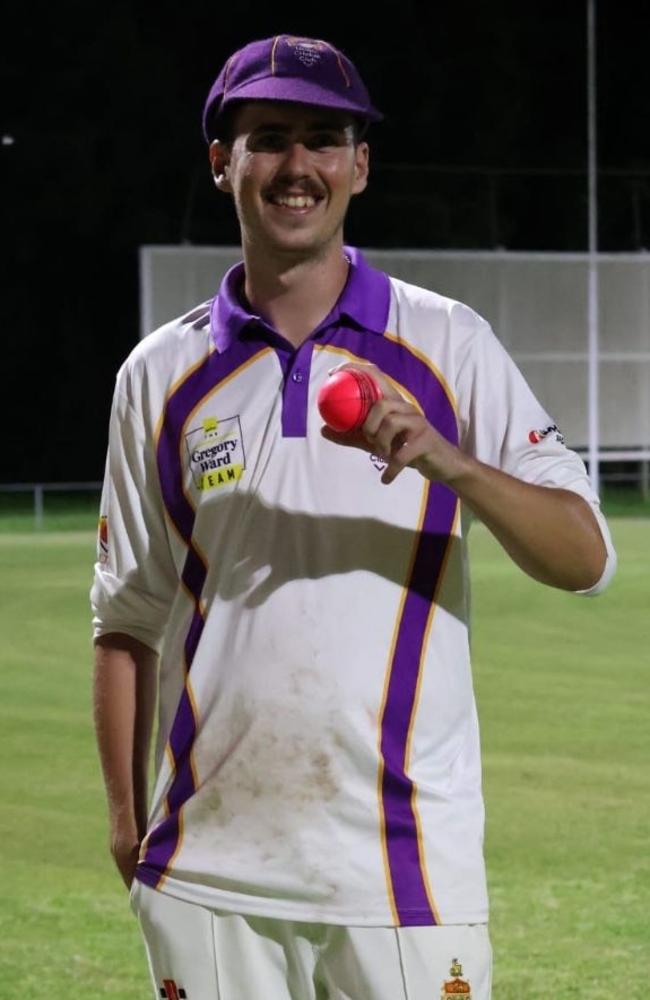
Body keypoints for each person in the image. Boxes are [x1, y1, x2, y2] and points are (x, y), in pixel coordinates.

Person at [91, 35, 616, 1000]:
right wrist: (130, 832)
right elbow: (125, 622)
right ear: (223, 162)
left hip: (406, 872)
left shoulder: (446, 342)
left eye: (326, 139)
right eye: (269, 138)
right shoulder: (158, 377)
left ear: (360, 165)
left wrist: (449, 460)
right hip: (209, 873)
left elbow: (584, 557)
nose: (299, 166)